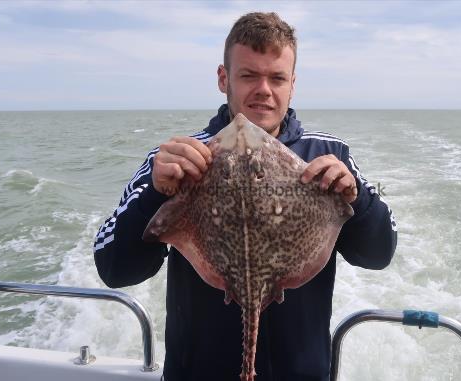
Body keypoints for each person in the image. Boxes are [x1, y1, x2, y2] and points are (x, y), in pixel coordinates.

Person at [94, 12, 397, 381]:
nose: (264, 90)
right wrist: (156, 194)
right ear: (224, 79)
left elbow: (379, 254)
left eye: (277, 78)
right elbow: (114, 269)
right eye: (249, 75)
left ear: (292, 84)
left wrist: (358, 197)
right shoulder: (180, 158)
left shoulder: (327, 154)